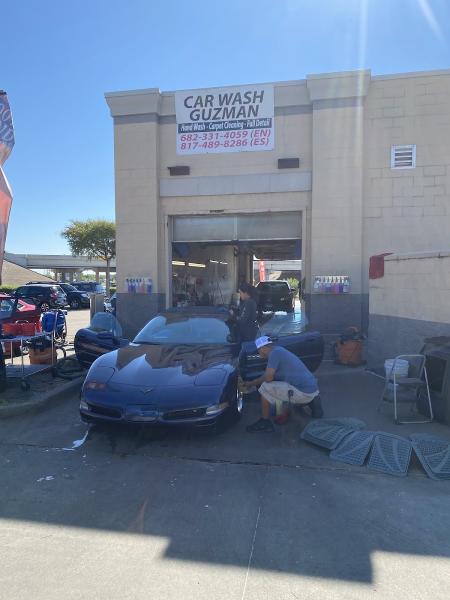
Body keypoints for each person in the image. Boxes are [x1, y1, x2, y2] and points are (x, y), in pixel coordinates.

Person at [244, 336, 323, 433]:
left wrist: (251, 383)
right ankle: (312, 401)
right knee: (276, 386)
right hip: (312, 388)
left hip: (303, 392)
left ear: (263, 348)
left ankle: (265, 422)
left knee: (265, 387)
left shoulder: (274, 354)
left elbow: (268, 378)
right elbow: (269, 375)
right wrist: (253, 382)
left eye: (258, 351)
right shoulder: (280, 350)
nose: (259, 354)